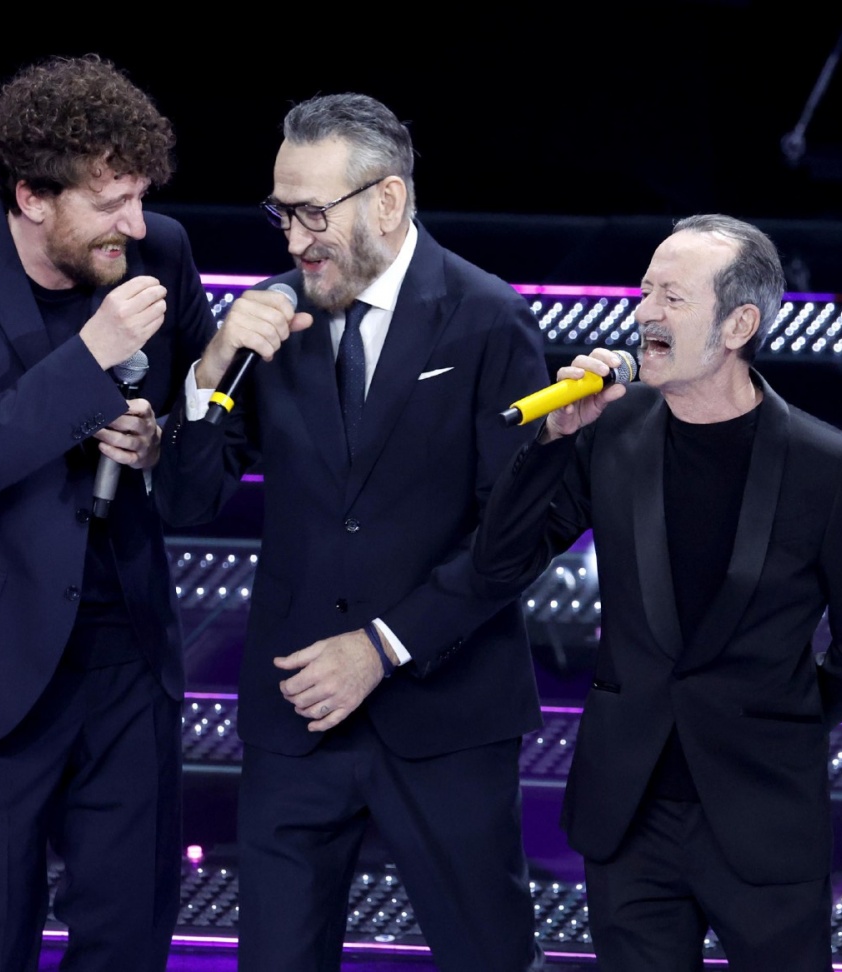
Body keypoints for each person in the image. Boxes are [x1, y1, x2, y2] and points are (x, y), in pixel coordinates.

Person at [154, 93, 547, 971]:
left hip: (443, 716)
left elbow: (513, 538)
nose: (293, 240)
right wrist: (213, 365)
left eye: (310, 214)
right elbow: (186, 501)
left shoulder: (488, 318)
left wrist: (381, 647)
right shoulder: (269, 318)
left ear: (388, 201)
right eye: (281, 213)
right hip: (296, 720)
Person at [471, 214, 842, 970]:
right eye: (645, 291)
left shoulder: (826, 466)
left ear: (739, 322)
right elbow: (500, 565)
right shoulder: (613, 431)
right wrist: (551, 442)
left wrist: (783, 714)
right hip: (629, 809)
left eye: (671, 297)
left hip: (762, 815)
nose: (644, 312)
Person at [0, 56, 213, 970]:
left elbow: (197, 413)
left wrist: (157, 442)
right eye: (110, 205)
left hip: (125, 651)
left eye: (140, 197)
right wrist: (89, 357)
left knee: (130, 933)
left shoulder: (162, 253)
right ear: (30, 195)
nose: (134, 226)